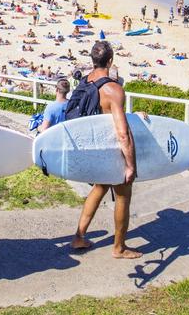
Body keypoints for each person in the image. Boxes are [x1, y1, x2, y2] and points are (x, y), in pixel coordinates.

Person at [70, 41, 141, 259]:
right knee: (123, 196)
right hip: (112, 150)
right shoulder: (113, 89)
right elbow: (122, 132)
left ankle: (79, 236)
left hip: (93, 147)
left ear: (93, 60)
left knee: (100, 188)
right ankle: (119, 248)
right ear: (110, 61)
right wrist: (130, 164)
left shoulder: (84, 81)